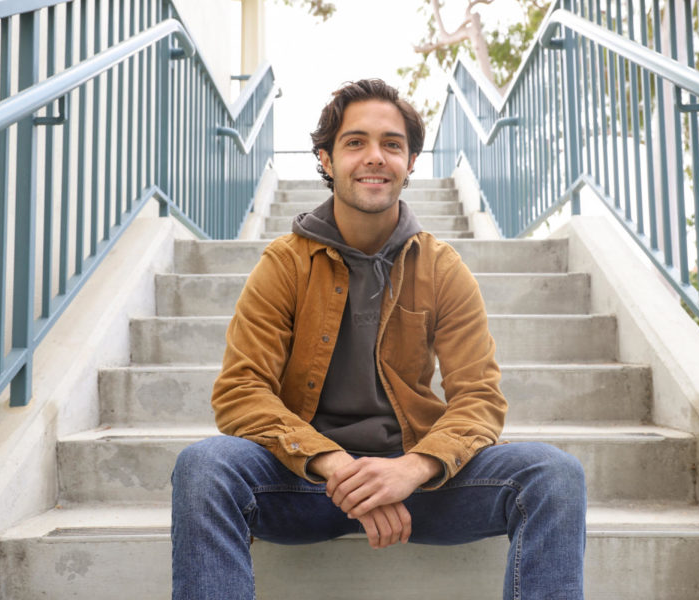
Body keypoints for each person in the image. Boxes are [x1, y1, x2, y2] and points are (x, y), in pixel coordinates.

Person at [171, 78, 586, 600]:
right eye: (355, 142)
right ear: (325, 158)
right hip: (304, 482)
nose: (375, 157)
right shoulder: (284, 263)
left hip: (417, 486)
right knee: (204, 467)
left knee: (554, 474)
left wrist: (413, 469)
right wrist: (337, 464)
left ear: (411, 162)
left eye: (392, 144)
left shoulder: (441, 267)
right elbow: (240, 393)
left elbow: (478, 399)